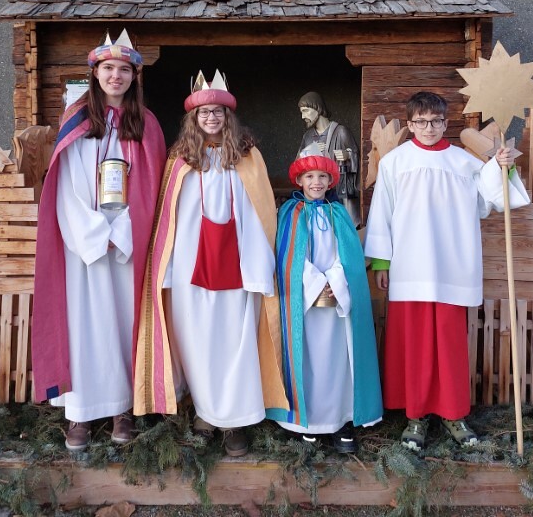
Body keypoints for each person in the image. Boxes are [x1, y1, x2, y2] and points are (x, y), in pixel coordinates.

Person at [133, 70, 288, 458]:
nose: (212, 117)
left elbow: (260, 212)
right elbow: (169, 220)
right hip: (190, 269)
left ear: (228, 115)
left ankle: (235, 420)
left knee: (235, 341)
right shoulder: (179, 160)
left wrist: (260, 265)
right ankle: (204, 414)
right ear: (194, 118)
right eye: (204, 113)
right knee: (198, 340)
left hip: (239, 266)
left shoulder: (248, 157)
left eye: (218, 111)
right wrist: (167, 269)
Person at [364, 91, 530, 451]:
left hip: (451, 266)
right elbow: (382, 212)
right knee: (415, 346)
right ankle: (416, 415)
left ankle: (454, 414)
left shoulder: (463, 162)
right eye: (421, 121)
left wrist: (503, 166)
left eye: (436, 121)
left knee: (450, 345)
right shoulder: (395, 162)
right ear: (410, 125)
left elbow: (491, 198)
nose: (429, 128)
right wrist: (381, 261)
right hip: (409, 266)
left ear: (446, 123)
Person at [31, 30, 166, 451]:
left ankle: (123, 408)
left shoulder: (146, 124)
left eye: (124, 70)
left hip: (128, 244)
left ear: (133, 76)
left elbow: (154, 188)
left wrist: (122, 233)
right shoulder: (76, 119)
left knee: (125, 323)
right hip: (84, 247)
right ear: (95, 72)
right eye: (108, 68)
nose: (115, 76)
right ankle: (81, 413)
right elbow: (66, 185)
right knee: (84, 327)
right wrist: (94, 235)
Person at [266, 149, 382, 453]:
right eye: (310, 176)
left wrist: (334, 282)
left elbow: (349, 255)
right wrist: (316, 283)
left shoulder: (339, 213)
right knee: (307, 361)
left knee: (338, 360)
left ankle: (340, 419)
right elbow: (289, 257)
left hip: (336, 303)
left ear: (331, 181)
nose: (316, 182)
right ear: (299, 180)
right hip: (305, 304)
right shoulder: (289, 213)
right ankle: (309, 422)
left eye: (322, 176)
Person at [296, 92, 362, 227]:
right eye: (302, 112)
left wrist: (348, 155)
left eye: (306, 111)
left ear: (318, 108)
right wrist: (309, 150)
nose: (303, 116)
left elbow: (357, 156)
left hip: (339, 192)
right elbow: (297, 164)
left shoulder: (340, 132)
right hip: (316, 192)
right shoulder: (308, 136)